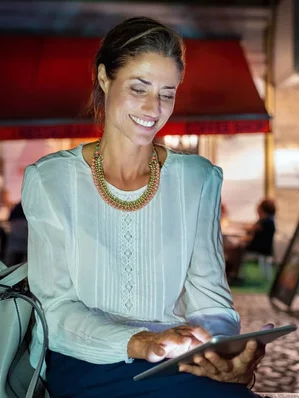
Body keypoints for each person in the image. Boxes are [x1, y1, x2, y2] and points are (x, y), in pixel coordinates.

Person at [22, 17, 266, 398]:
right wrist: (140, 342)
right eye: (139, 88)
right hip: (86, 361)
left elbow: (211, 302)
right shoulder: (50, 181)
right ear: (104, 79)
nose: (154, 108)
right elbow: (55, 309)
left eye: (167, 93)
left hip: (176, 360)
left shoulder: (198, 180)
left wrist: (219, 348)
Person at [225, 199, 276, 283]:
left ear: (262, 209)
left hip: (261, 249)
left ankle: (234, 274)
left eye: (258, 207)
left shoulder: (266, 221)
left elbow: (251, 229)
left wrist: (235, 226)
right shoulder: (267, 220)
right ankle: (233, 273)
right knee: (236, 248)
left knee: (237, 249)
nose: (256, 208)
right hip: (260, 247)